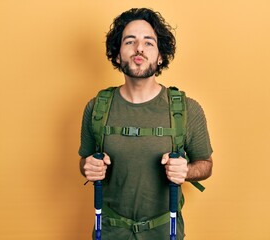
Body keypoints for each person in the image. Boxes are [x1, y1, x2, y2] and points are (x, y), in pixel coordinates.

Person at [79, 8, 213, 240]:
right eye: (130, 41)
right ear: (118, 54)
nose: (139, 48)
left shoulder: (187, 109)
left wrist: (187, 171)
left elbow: (206, 165)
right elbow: (85, 162)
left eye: (149, 42)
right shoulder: (96, 108)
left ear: (160, 56)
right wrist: (87, 166)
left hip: (163, 232)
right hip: (110, 232)